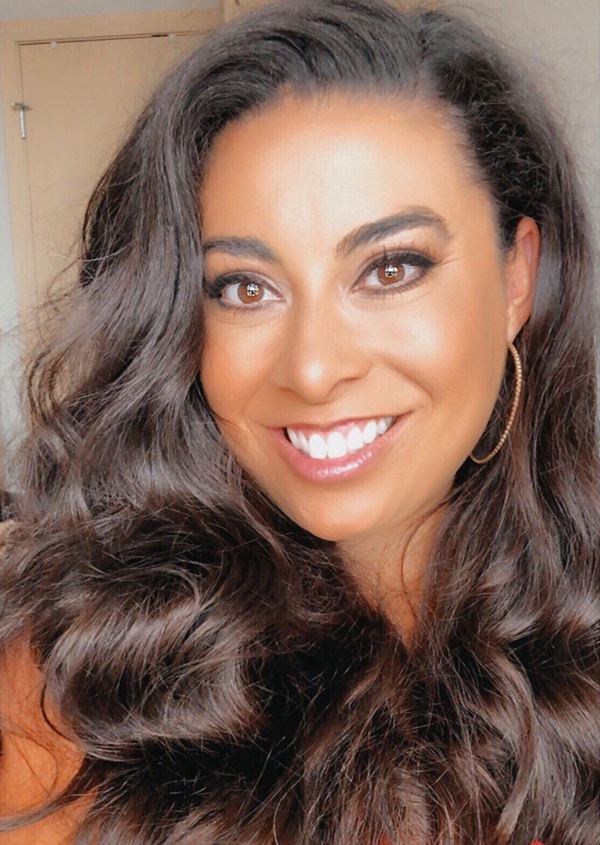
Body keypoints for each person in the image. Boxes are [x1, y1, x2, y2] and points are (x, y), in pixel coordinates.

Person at [0, 0, 598, 842]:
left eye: (391, 269)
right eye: (244, 287)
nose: (313, 369)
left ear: (516, 280)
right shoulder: (78, 681)